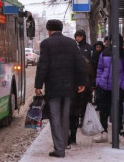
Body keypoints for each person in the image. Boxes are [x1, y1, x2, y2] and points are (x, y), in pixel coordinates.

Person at [35, 20, 86, 158]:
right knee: (65, 117)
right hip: (69, 86)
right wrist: (82, 82)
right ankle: (63, 144)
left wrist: (38, 85)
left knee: (55, 117)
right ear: (61, 29)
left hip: (53, 87)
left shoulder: (46, 44)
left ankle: (59, 149)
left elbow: (43, 66)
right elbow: (79, 63)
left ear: (49, 30)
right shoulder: (71, 43)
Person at [93, 35, 124, 143]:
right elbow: (100, 69)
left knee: (117, 111)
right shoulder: (105, 52)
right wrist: (99, 81)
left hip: (117, 87)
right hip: (104, 86)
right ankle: (103, 132)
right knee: (103, 110)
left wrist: (123, 86)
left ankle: (118, 133)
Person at [68, 30, 95, 146]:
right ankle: (73, 136)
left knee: (72, 113)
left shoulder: (87, 52)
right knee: (74, 113)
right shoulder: (84, 62)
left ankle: (71, 135)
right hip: (81, 89)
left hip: (76, 90)